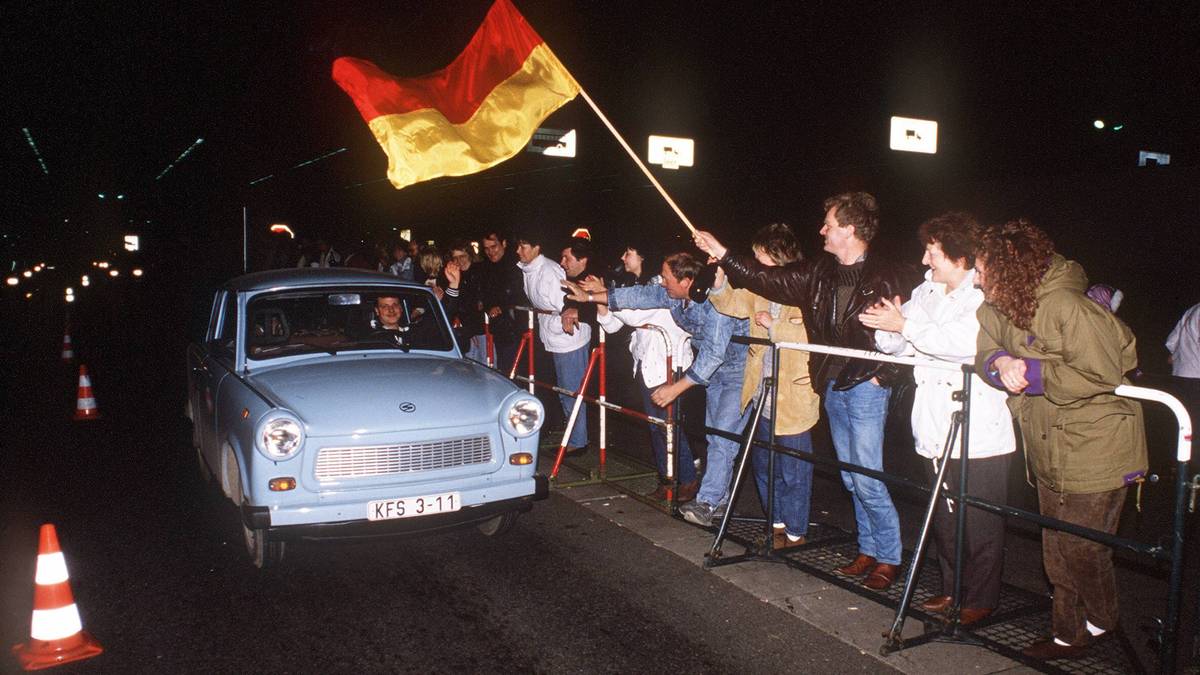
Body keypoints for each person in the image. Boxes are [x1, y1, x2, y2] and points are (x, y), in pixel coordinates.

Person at [693, 191, 910, 590]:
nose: (821, 230)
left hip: (866, 386)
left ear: (849, 230)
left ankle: (889, 557)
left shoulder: (886, 274)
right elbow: (765, 278)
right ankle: (867, 549)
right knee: (851, 477)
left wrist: (884, 376)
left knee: (867, 477)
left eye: (829, 224)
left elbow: (906, 333)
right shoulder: (819, 272)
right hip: (834, 385)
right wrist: (722, 253)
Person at [973, 219, 1146, 661]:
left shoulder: (1067, 306)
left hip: (1097, 445)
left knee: (1082, 547)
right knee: (1056, 549)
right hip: (1047, 441)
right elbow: (985, 350)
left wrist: (1029, 373)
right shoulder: (996, 307)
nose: (976, 279)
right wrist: (999, 363)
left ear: (1009, 270)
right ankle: (1068, 634)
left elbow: (1102, 372)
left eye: (982, 270)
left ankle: (1102, 619)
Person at [860, 212, 1015, 624]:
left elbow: (963, 344)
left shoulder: (984, 296)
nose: (925, 259)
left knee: (980, 519)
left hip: (976, 425)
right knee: (944, 513)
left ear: (959, 256)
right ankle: (951, 588)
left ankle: (981, 598)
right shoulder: (925, 290)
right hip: (932, 422)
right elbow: (900, 343)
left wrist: (905, 325)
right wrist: (887, 327)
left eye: (933, 252)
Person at [566, 251, 749, 526]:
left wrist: (675, 388)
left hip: (739, 371)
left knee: (723, 440)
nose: (661, 282)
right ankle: (720, 500)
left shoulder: (714, 303)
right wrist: (591, 297)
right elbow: (638, 296)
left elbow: (713, 354)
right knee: (717, 438)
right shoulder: (673, 295)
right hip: (714, 373)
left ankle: (707, 502)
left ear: (686, 281)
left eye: (666, 278)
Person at [707, 223, 820, 550]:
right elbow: (730, 303)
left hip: (794, 398)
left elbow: (810, 337)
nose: (755, 264)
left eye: (760, 257)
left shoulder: (806, 290)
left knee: (794, 470)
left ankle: (796, 533)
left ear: (777, 256)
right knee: (763, 465)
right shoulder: (759, 290)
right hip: (762, 395)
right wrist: (719, 280)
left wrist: (774, 326)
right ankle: (776, 525)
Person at [592, 241, 697, 501]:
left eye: (628, 252)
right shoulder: (633, 287)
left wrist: (603, 295)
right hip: (645, 363)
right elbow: (612, 326)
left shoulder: (659, 287)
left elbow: (635, 317)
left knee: (668, 426)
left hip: (669, 363)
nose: (622, 257)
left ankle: (687, 479)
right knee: (655, 426)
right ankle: (666, 479)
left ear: (642, 256)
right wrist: (602, 302)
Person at [516, 230, 591, 454]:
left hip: (569, 338)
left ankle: (578, 442)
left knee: (571, 391)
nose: (518, 251)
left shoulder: (549, 271)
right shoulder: (530, 271)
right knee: (562, 390)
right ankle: (570, 434)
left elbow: (566, 306)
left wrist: (558, 323)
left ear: (536, 248)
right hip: (552, 336)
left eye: (523, 246)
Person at [478, 228, 529, 372]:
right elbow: (486, 295)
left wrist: (502, 306)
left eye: (493, 246)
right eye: (486, 248)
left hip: (515, 329)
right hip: (498, 329)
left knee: (512, 370)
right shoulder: (487, 267)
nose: (490, 252)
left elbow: (519, 294)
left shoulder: (516, 265)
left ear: (504, 243)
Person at [441, 241, 486, 363]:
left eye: (462, 256)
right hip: (465, 326)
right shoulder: (454, 275)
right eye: (455, 258)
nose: (459, 260)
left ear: (469, 255)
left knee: (486, 362)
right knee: (469, 363)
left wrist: (472, 331)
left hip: (483, 327)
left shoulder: (480, 271)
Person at [1167, 302, 1200, 378]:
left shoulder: (1193, 309)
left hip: (1181, 372)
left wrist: (1176, 357)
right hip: (1196, 377)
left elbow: (1172, 341)